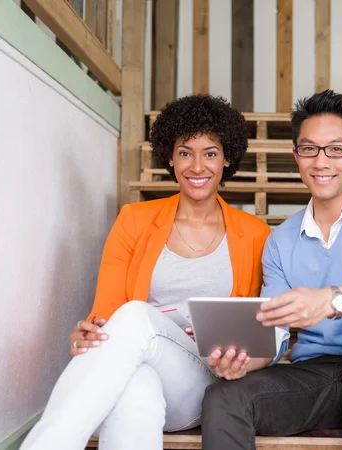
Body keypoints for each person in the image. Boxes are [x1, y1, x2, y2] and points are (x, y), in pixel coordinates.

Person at [21, 94, 273, 450]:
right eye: (185, 152)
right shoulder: (134, 221)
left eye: (210, 153)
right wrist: (90, 335)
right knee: (136, 393)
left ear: (226, 158)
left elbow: (263, 331)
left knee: (137, 316)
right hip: (138, 370)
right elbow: (107, 316)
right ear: (169, 157)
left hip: (207, 380)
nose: (197, 166)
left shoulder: (255, 233)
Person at [201, 90, 342, 450]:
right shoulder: (280, 241)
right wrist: (240, 362)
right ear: (296, 156)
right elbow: (274, 334)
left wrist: (331, 300)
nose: (322, 162)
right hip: (311, 378)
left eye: (336, 149)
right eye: (309, 149)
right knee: (222, 396)